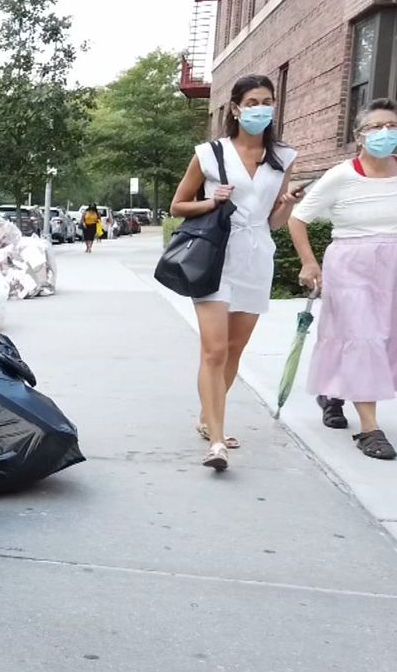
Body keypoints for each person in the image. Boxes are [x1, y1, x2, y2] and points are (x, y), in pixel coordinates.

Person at [169, 74, 304, 471]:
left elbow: (275, 222)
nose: (262, 108)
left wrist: (289, 203)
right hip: (215, 256)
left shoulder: (284, 157)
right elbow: (178, 205)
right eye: (253, 101)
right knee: (213, 349)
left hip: (256, 255)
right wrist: (211, 201)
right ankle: (216, 441)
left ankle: (207, 417)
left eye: (268, 101)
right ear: (236, 108)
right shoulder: (210, 153)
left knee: (233, 350)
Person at [289, 97, 397, 460]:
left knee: (383, 338)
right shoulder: (340, 175)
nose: (385, 133)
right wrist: (309, 264)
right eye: (376, 127)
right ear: (358, 136)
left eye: (392, 126)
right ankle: (370, 429)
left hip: (393, 265)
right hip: (351, 264)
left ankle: (333, 393)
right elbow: (298, 218)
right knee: (362, 337)